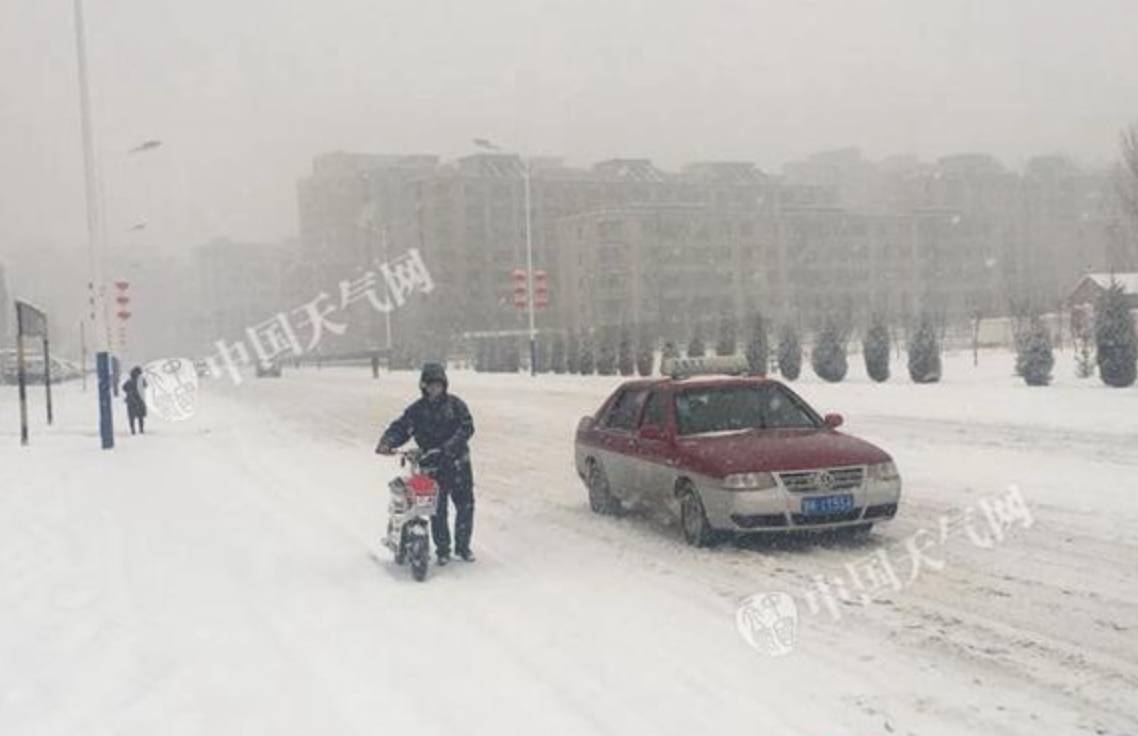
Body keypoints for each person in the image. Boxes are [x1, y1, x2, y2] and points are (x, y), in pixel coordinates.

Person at [376, 362, 475, 564]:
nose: (434, 389)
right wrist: (387, 441)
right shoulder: (417, 411)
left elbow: (467, 428)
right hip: (431, 466)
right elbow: (401, 428)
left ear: (444, 384)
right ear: (423, 386)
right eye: (430, 385)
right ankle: (443, 550)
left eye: (438, 384)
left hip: (458, 464)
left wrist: (448, 448)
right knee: (437, 509)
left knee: (465, 506)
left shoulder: (456, 405)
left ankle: (463, 547)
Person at [122, 366, 147, 435]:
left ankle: (133, 430)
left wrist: (130, 392)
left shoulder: (129, 381)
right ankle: (141, 429)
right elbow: (145, 385)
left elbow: (124, 388)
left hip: (130, 400)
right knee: (140, 416)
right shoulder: (141, 381)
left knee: (131, 416)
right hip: (139, 400)